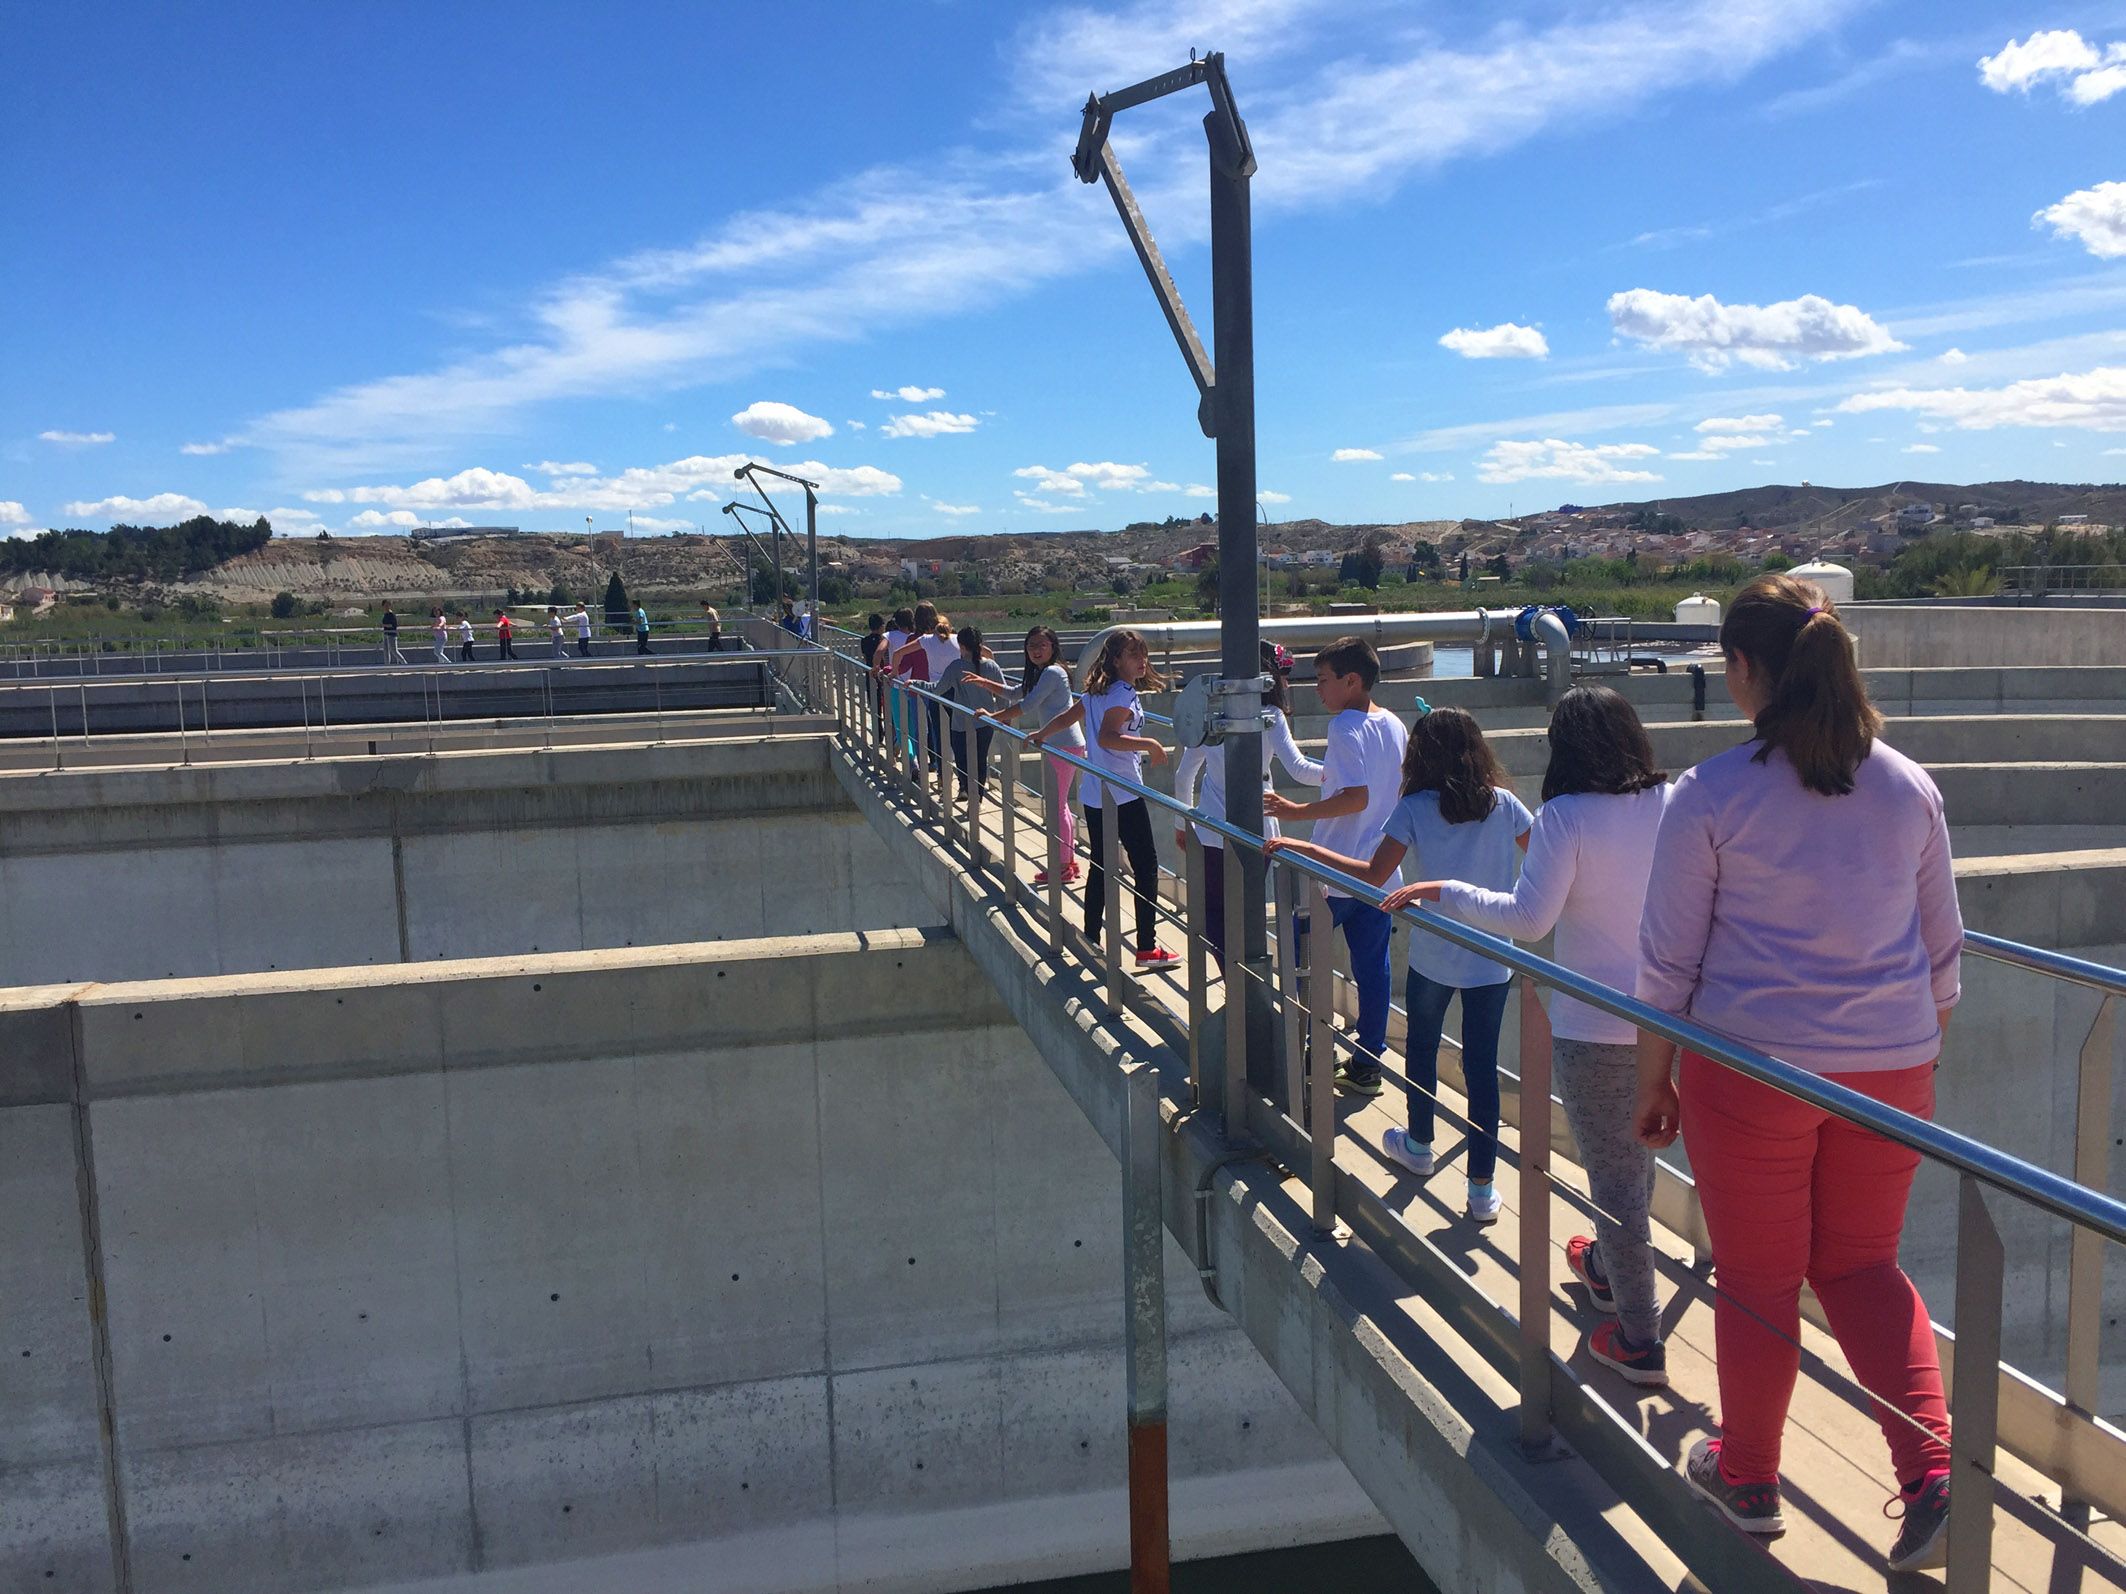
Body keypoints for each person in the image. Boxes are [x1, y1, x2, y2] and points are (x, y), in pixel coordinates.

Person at [1632, 576, 1960, 1570]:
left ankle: (1749, 1475)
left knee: (1760, 1277)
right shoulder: (1907, 785)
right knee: (1861, 1263)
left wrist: (1655, 1082)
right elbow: (1942, 958)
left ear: (1743, 670)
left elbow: (1665, 966)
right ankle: (1932, 1473)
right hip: (1891, 1068)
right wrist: (1889, 1042)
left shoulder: (1709, 793)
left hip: (1754, 1073)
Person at [1386, 686, 1670, 1380]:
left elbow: (1528, 919)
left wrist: (1441, 891)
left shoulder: (1564, 816)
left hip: (1594, 1021)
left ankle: (1641, 1338)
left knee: (1612, 1176)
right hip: (1666, 1013)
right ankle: (1605, 1267)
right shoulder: (1666, 804)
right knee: (1639, 1160)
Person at [1270, 707, 1530, 1224]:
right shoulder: (1506, 804)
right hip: (1494, 957)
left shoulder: (1415, 807)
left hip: (1435, 955)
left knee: (1422, 1051)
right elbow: (1543, 859)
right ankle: (1482, 1190)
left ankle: (1418, 1144)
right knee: (1481, 1072)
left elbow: (1372, 875)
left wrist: (1304, 845)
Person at [1261, 637, 1408, 1098]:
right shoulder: (1394, 724)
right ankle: (1367, 1065)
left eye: (1323, 681)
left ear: (1352, 681)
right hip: (1380, 872)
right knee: (1373, 970)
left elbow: (1354, 797)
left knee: (1304, 961)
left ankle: (1304, 1054)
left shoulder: (1345, 728)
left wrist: (1293, 811)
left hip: (1335, 874)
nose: (1317, 690)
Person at [1031, 628, 1176, 969]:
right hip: (1123, 790)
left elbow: (1069, 717)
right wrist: (1150, 744)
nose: (1142, 661)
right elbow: (1109, 737)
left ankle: (1091, 936)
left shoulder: (1098, 690)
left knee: (1101, 863)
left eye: (1143, 654)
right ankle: (1146, 947)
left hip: (1096, 793)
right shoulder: (1122, 692)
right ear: (1116, 660)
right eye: (1133, 655)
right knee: (1145, 866)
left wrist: (1042, 733)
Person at [1173, 643, 1323, 968]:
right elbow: (1299, 769)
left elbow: (1185, 775)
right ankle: (1251, 986)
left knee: (1215, 910)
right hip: (1260, 829)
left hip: (1213, 829)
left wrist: (1181, 825)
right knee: (1249, 911)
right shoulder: (1272, 717)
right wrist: (1344, 776)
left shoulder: (1211, 716)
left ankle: (1233, 979)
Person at [970, 625, 1082, 886]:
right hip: (1061, 743)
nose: (1036, 650)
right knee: (1060, 806)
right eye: (1031, 645)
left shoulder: (1053, 672)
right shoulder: (1043, 673)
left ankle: (1063, 866)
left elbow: (1026, 706)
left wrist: (992, 717)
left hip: (1063, 744)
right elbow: (1014, 694)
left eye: (1042, 645)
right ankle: (1068, 862)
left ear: (1053, 647)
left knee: (1057, 806)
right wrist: (985, 683)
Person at [935, 625, 1006, 800]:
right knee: (980, 759)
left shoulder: (956, 666)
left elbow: (938, 689)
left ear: (962, 646)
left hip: (960, 722)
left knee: (962, 757)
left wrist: (917, 684)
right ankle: (979, 796)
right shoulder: (992, 666)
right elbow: (1004, 693)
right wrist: (1005, 717)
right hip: (985, 721)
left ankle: (965, 788)